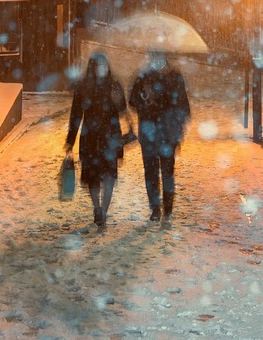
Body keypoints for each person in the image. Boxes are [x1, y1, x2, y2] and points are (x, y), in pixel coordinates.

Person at [64, 52, 129, 228]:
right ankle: (97, 208)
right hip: (91, 139)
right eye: (98, 66)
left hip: (111, 137)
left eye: (104, 66)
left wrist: (118, 100)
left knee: (109, 177)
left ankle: (103, 212)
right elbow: (76, 115)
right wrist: (70, 140)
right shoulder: (84, 87)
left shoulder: (114, 85)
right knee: (93, 177)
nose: (102, 69)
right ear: (92, 68)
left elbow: (122, 110)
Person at [129, 49, 190, 222]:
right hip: (149, 132)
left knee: (167, 172)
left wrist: (177, 128)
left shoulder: (174, 77)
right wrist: (144, 98)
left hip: (167, 134)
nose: (158, 60)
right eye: (155, 56)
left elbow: (183, 106)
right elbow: (132, 101)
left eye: (160, 56)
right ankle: (155, 208)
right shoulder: (143, 77)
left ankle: (167, 209)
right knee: (151, 173)